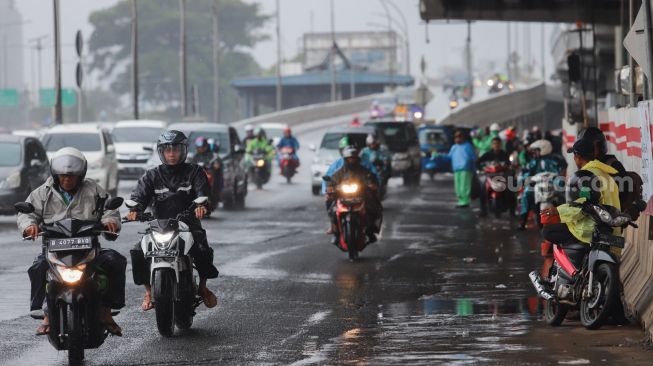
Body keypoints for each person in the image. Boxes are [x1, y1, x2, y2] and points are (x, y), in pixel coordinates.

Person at [17, 147, 125, 336]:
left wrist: (110, 221)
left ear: (80, 175)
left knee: (115, 261)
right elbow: (28, 213)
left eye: (71, 176)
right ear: (55, 174)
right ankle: (47, 315)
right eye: (63, 176)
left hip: (88, 250)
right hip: (54, 251)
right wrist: (29, 226)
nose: (67, 179)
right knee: (38, 267)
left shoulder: (94, 190)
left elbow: (110, 210)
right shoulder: (43, 192)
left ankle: (106, 312)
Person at [127, 130, 219, 311]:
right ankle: (148, 291)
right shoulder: (152, 175)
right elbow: (139, 196)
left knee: (202, 249)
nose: (171, 154)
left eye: (175, 149)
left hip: (188, 224)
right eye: (167, 150)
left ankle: (202, 287)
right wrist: (135, 210)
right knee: (138, 251)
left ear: (183, 151)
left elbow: (204, 194)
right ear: (161, 152)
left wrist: (202, 206)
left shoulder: (195, 172)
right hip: (158, 225)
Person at [325, 143, 382, 244]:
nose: (352, 160)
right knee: (331, 207)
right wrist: (329, 187)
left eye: (353, 158)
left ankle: (370, 232)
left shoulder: (364, 171)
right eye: (349, 158)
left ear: (357, 158)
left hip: (361, 196)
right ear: (346, 159)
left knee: (373, 207)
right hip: (343, 197)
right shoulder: (340, 172)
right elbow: (332, 180)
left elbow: (371, 179)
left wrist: (372, 185)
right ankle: (335, 231)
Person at [517, 139, 566, 230]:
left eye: (536, 150)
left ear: (543, 149)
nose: (534, 153)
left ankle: (565, 218)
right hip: (537, 184)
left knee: (564, 194)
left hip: (552, 184)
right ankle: (522, 221)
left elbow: (563, 170)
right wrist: (525, 179)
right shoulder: (534, 161)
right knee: (526, 194)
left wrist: (560, 178)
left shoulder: (557, 158)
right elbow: (526, 171)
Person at [441, 130, 477, 208]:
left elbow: (473, 158)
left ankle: (465, 202)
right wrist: (439, 155)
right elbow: (449, 157)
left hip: (466, 169)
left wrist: (473, 169)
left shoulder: (468, 146)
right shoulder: (454, 147)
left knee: (464, 186)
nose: (457, 139)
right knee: (458, 187)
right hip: (457, 170)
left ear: (463, 137)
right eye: (456, 137)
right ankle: (461, 201)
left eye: (459, 137)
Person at [193, 136, 224, 203]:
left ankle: (217, 194)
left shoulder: (213, 155)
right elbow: (192, 163)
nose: (199, 149)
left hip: (209, 173)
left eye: (201, 147)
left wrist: (217, 165)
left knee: (218, 178)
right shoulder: (196, 156)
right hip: (198, 174)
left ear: (206, 146)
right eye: (198, 147)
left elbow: (218, 162)